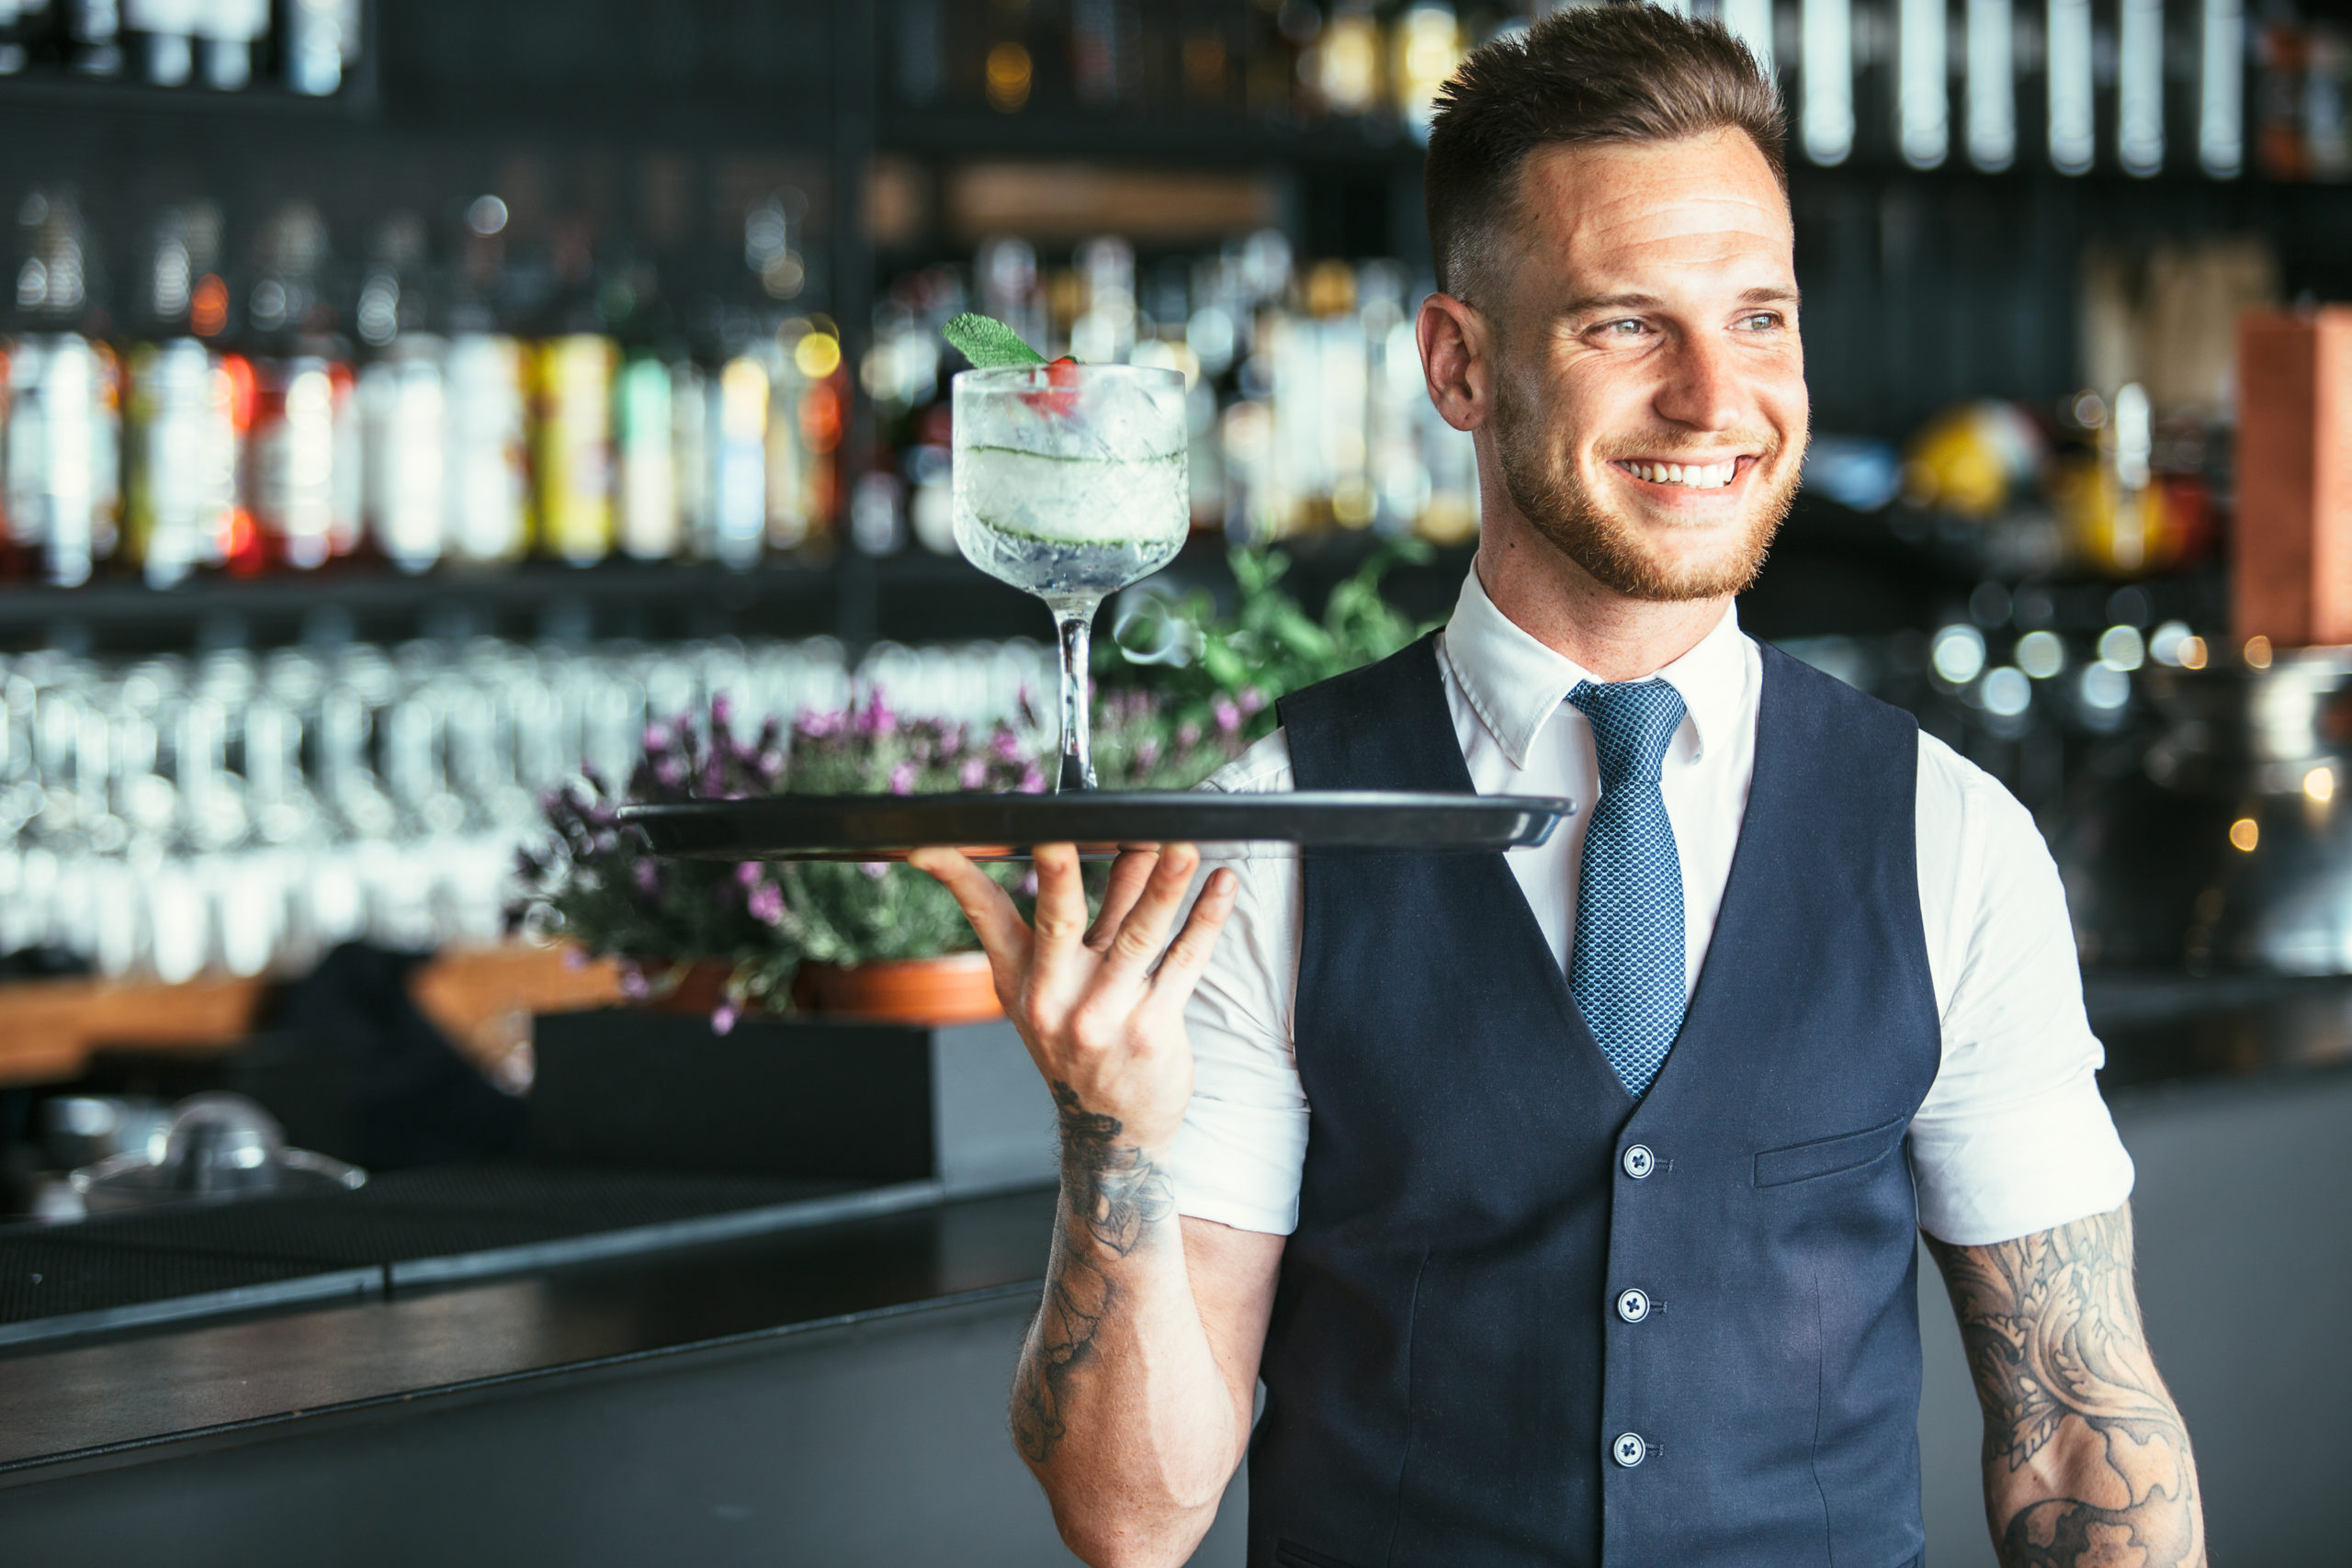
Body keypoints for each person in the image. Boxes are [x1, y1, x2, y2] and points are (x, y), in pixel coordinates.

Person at [914, 7, 2206, 1566]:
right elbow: (1132, 1516)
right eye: (1625, 325)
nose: (1716, 398)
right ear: (1461, 364)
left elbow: (2079, 1421)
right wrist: (1107, 1140)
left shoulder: (1950, 839)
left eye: (1761, 317)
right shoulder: (1270, 835)